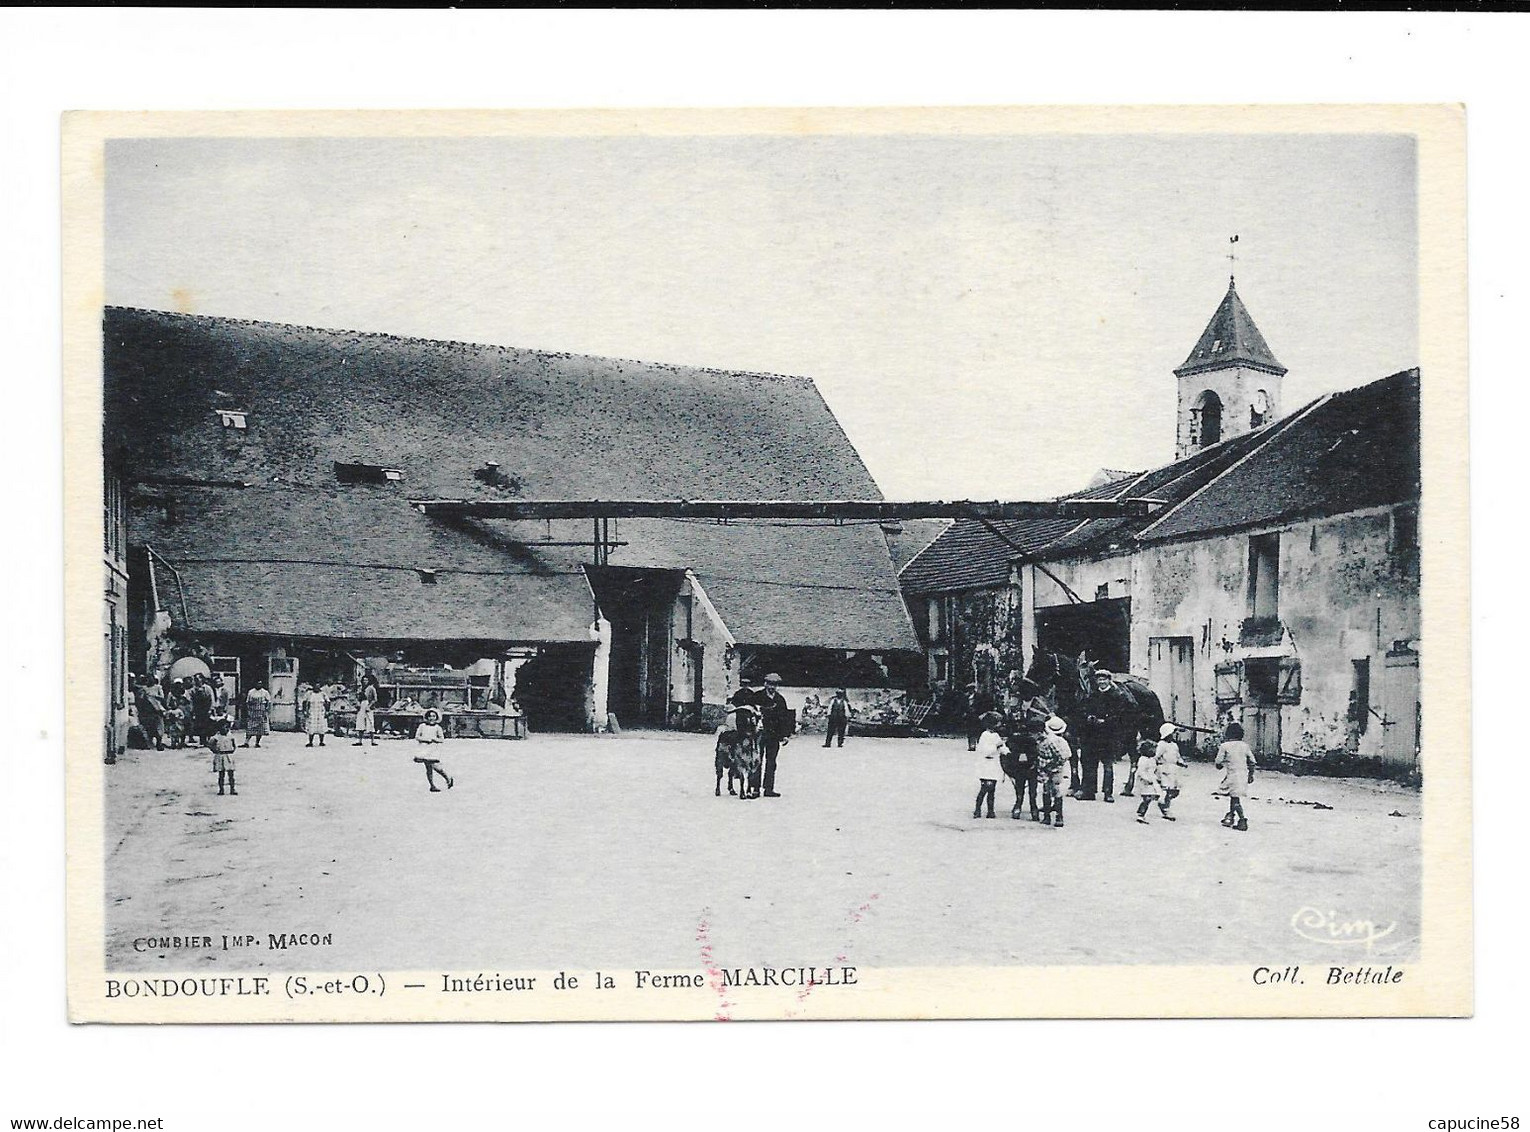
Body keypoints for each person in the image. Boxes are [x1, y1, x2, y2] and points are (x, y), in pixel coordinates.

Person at [1078, 669, 1131, 803]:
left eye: (1104, 679)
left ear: (1109, 680)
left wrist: (1106, 721)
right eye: (1099, 679)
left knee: (1108, 765)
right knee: (1090, 764)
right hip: (1092, 735)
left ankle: (1108, 793)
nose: (1101, 682)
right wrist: (1089, 717)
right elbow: (1084, 709)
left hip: (1108, 735)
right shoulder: (1092, 695)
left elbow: (1119, 715)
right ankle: (1089, 792)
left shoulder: (1117, 695)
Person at [754, 674, 793, 797]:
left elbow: (784, 718)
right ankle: (755, 788)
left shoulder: (780, 700)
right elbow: (749, 713)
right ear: (765, 684)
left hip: (774, 735)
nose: (772, 687)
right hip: (759, 734)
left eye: (774, 684)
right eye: (770, 683)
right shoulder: (757, 697)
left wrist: (785, 735)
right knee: (757, 761)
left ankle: (768, 789)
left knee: (771, 762)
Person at [1002, 705, 1042, 821]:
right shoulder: (1034, 740)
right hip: (1031, 766)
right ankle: (1033, 809)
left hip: (1019, 767)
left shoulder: (1013, 739)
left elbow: (1007, 754)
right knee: (1032, 789)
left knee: (1020, 787)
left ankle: (1018, 806)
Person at [1215, 722, 1256, 831]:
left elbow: (1218, 762)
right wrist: (1251, 774)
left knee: (1235, 799)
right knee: (1234, 797)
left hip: (1232, 775)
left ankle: (1242, 820)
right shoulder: (1245, 746)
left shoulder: (1224, 746)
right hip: (1243, 775)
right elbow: (1252, 761)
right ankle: (1230, 816)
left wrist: (1220, 765)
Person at [1034, 715, 1071, 828]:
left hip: (1051, 768)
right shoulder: (1061, 741)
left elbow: (1061, 756)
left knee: (1048, 790)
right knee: (1054, 789)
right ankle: (1057, 816)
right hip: (1055, 768)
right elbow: (1067, 754)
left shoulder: (1050, 741)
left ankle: (1048, 816)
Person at [972, 711, 1007, 819]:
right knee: (985, 788)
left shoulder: (996, 735)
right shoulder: (984, 736)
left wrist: (1006, 751)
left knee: (992, 789)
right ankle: (977, 809)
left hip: (993, 765)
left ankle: (990, 811)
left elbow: (1002, 747)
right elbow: (985, 751)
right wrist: (996, 747)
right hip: (986, 765)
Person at [412, 708, 454, 791]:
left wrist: (434, 739)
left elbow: (441, 739)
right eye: (430, 716)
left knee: (436, 766)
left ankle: (448, 778)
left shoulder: (437, 728)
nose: (432, 718)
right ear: (427, 717)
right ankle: (432, 785)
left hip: (432, 749)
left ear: (436, 718)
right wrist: (424, 739)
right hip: (424, 749)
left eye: (434, 716)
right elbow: (417, 737)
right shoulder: (422, 726)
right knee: (428, 768)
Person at [1155, 722, 1186, 820]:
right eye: (1172, 733)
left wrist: (1181, 762)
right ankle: (1166, 808)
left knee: (1174, 791)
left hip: (1173, 770)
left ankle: (1164, 803)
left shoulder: (1174, 745)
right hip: (1164, 769)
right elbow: (1156, 756)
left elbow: (1177, 756)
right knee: (1167, 789)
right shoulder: (1161, 745)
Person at [1133, 740, 1167, 824]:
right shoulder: (1143, 760)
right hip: (1144, 782)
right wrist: (1147, 779)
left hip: (1151, 781)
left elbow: (1154, 769)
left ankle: (1143, 813)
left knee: (1151, 797)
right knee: (1147, 798)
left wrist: (1157, 777)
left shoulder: (1152, 760)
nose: (1154, 752)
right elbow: (1141, 772)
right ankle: (1140, 814)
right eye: (1152, 750)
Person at [208, 715, 238, 796]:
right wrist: (215, 751)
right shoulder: (216, 737)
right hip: (220, 756)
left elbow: (234, 745)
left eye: (227, 727)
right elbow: (210, 744)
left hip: (229, 756)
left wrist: (232, 750)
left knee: (231, 774)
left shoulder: (230, 736)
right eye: (223, 727)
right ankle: (221, 789)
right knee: (221, 774)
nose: (225, 729)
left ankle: (232, 789)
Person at [133, 678, 166, 751]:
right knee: (149, 726)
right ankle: (149, 743)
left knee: (159, 726)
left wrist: (154, 696)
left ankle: (159, 743)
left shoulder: (158, 687)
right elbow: (140, 698)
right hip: (147, 710)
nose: (150, 681)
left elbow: (162, 697)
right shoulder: (144, 688)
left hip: (157, 709)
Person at [963, 682, 995, 752]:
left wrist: (981, 714)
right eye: (969, 689)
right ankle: (972, 745)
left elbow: (982, 706)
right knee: (970, 731)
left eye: (971, 689)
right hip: (969, 716)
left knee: (978, 730)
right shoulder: (966, 697)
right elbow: (964, 706)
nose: (970, 690)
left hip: (977, 715)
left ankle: (980, 744)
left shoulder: (978, 696)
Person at [189, 673, 215, 747]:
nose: (196, 681)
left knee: (209, 724)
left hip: (206, 708)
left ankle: (209, 740)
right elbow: (191, 701)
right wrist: (192, 710)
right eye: (195, 679)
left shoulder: (208, 688)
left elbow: (212, 699)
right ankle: (202, 740)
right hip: (198, 709)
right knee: (200, 725)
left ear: (202, 679)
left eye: (198, 679)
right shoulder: (193, 690)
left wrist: (211, 709)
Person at [243, 684, 272, 748]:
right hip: (253, 712)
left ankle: (257, 742)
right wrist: (249, 711)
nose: (258, 685)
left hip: (261, 711)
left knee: (260, 728)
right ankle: (246, 742)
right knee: (250, 728)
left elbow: (269, 702)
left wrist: (266, 710)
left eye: (260, 683)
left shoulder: (265, 692)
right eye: (257, 683)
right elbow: (248, 702)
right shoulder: (251, 692)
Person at [353, 681, 379, 747]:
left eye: (366, 680)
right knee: (360, 723)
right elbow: (357, 698)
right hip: (361, 706)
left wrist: (369, 706)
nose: (365, 682)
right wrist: (358, 703)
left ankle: (373, 741)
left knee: (370, 723)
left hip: (368, 706)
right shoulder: (360, 688)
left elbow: (375, 699)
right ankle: (359, 741)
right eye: (363, 680)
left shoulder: (371, 688)